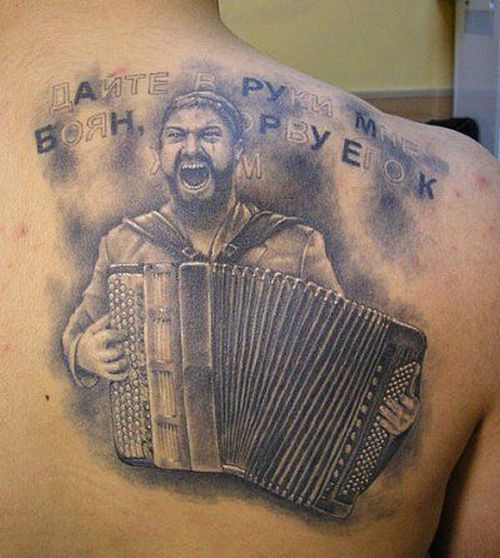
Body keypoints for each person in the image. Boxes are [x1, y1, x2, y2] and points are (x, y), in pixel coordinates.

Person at [0, 1, 498, 557]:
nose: (192, 150)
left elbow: (347, 363)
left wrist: (386, 415)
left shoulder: (296, 243)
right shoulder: (471, 209)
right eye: (177, 137)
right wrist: (83, 352)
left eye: (209, 135)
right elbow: (78, 328)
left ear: (238, 150)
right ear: (159, 155)